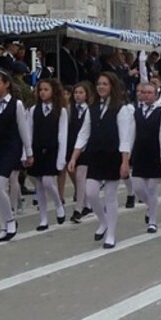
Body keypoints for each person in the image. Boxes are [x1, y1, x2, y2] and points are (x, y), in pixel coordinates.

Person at [69, 72, 135, 250]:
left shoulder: (120, 109)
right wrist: (74, 156)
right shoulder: (92, 108)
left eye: (105, 84)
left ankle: (111, 233)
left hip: (113, 155)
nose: (101, 87)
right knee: (90, 193)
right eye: (99, 84)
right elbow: (84, 133)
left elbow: (125, 137)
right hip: (95, 155)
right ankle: (103, 221)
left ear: (112, 87)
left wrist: (125, 161)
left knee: (110, 197)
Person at [0, 71, 31, 243]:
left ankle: (10, 221)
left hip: (11, 149)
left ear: (6, 84)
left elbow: (24, 130)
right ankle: (4, 227)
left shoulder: (16, 104)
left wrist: (28, 152)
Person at [25, 78, 69, 231]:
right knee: (39, 186)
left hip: (52, 150)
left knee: (48, 182)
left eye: (46, 89)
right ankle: (43, 218)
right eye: (40, 90)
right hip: (37, 150)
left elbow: (62, 136)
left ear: (53, 92)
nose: (42, 92)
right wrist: (27, 153)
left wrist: (61, 159)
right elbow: (28, 132)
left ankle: (58, 204)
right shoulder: (33, 110)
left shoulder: (60, 111)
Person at [129, 81, 161, 234]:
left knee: (152, 188)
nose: (146, 95)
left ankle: (152, 221)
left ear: (156, 95)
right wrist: (127, 154)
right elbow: (131, 134)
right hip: (139, 152)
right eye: (144, 92)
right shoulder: (136, 112)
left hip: (154, 152)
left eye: (149, 93)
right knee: (138, 187)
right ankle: (150, 206)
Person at [65, 81, 94, 221]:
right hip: (72, 146)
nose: (77, 95)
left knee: (81, 176)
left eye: (81, 93)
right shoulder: (70, 109)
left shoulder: (90, 109)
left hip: (86, 147)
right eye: (76, 93)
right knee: (76, 176)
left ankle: (79, 208)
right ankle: (87, 204)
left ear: (87, 94)